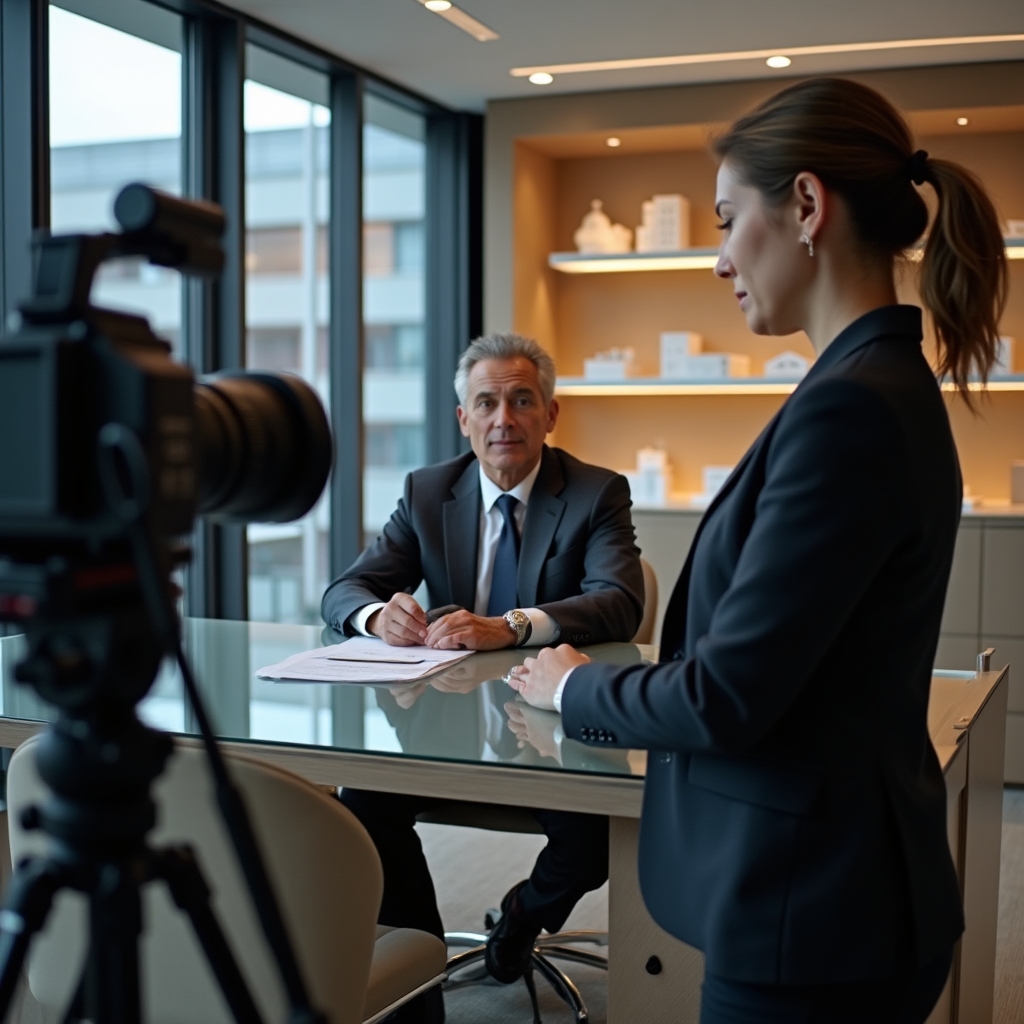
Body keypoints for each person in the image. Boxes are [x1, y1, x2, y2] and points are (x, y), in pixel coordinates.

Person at [509, 77, 1008, 1024]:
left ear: (808, 208)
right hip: (830, 897)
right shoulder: (868, 384)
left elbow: (727, 693)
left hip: (811, 914)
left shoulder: (850, 409)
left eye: (729, 219)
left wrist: (569, 685)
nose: (718, 258)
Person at [321, 331, 644, 1020]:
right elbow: (343, 591)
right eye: (487, 403)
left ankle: (522, 917)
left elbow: (620, 601)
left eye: (522, 400)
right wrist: (380, 617)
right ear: (463, 419)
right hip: (443, 725)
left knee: (593, 837)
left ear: (549, 415)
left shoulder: (596, 493)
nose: (505, 418)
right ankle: (419, 978)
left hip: (550, 725)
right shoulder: (428, 490)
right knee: (363, 807)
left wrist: (514, 625)